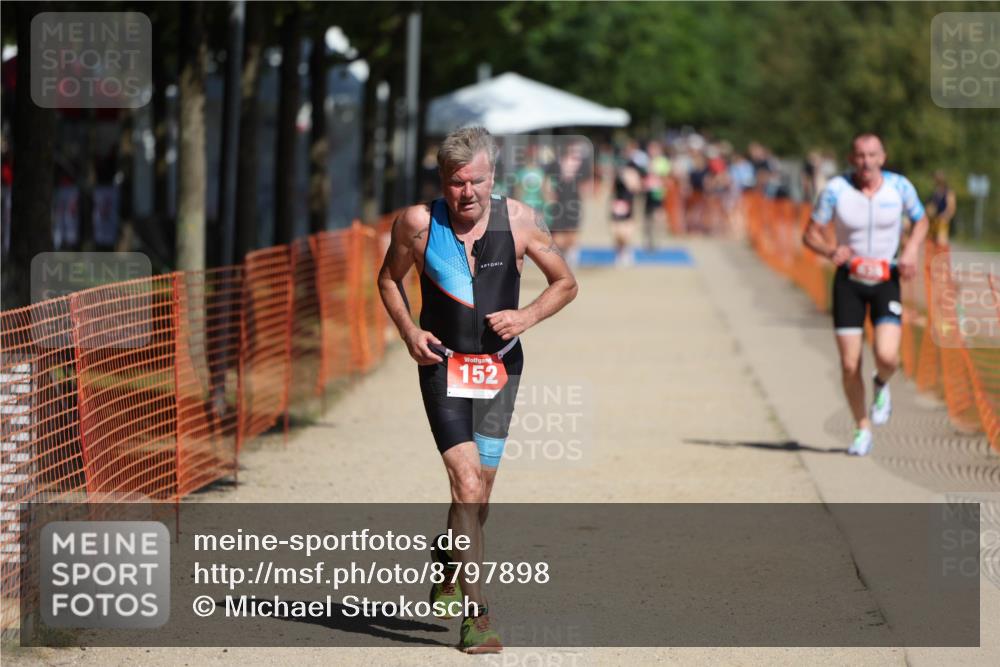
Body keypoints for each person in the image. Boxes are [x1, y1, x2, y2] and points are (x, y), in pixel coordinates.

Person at [377, 126, 578, 653]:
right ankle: (478, 616)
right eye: (455, 182)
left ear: (494, 177)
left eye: (476, 181)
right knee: (465, 484)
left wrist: (526, 315)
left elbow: (566, 282)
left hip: (499, 367)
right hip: (442, 365)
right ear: (441, 180)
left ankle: (448, 552)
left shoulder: (520, 221)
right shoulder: (418, 224)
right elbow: (387, 280)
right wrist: (409, 331)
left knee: (480, 493)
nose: (466, 193)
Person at [802, 133, 928, 456]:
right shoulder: (835, 190)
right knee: (848, 364)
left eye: (872, 155)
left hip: (887, 278)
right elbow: (810, 234)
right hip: (849, 281)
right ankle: (862, 428)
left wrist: (912, 250)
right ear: (851, 158)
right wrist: (831, 250)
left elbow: (921, 220)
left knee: (888, 357)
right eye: (860, 155)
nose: (866, 162)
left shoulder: (900, 187)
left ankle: (881, 383)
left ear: (882, 157)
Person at [926, 170, 956, 246]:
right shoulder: (935, 192)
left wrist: (945, 216)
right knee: (930, 241)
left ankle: (942, 256)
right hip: (933, 219)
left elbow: (951, 208)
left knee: (941, 240)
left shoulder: (948, 192)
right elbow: (931, 206)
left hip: (943, 220)